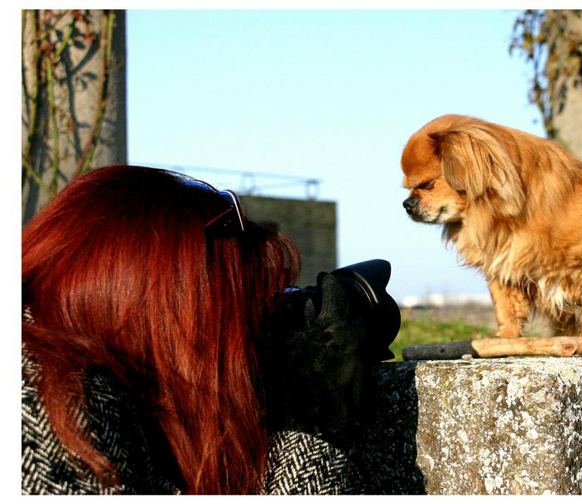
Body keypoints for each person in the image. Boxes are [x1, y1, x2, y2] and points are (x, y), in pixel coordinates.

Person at [22, 165, 369, 494]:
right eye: (241, 308)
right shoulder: (48, 399)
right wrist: (313, 423)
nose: (252, 327)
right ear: (173, 313)